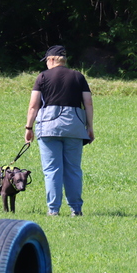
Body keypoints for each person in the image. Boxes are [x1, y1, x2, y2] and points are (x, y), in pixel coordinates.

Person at [24, 45, 94, 216]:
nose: (46, 64)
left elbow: (33, 105)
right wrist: (90, 127)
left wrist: (29, 127)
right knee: (73, 170)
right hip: (74, 128)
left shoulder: (42, 77)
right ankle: (76, 209)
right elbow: (88, 103)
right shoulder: (78, 76)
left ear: (52, 59)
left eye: (46, 60)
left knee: (52, 170)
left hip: (48, 128)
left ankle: (53, 210)